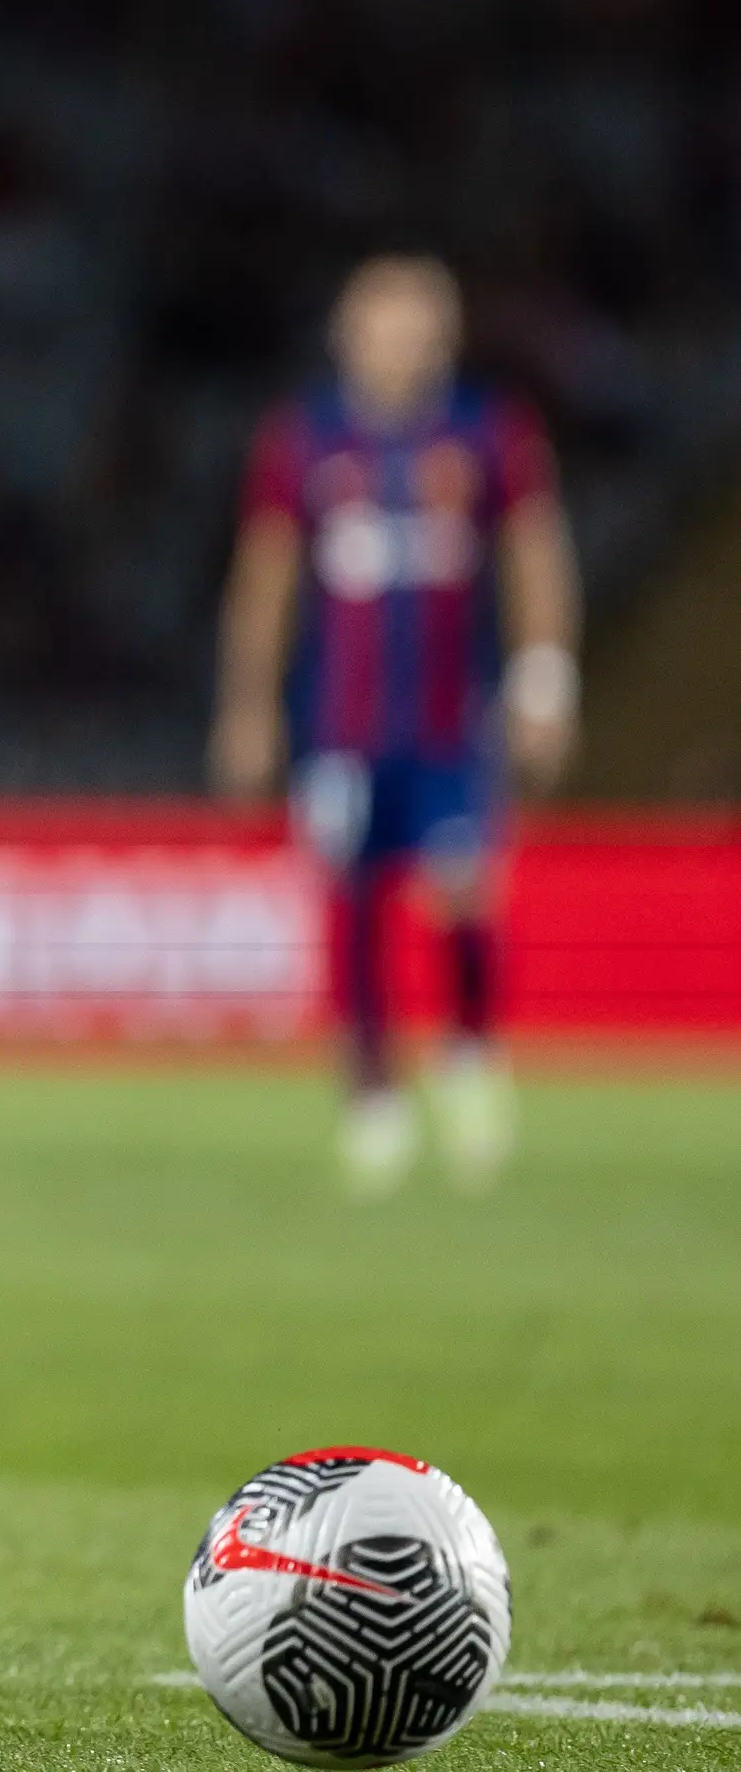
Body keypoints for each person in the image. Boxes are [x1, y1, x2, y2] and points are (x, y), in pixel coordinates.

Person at [213, 255, 576, 1197]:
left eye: (420, 326)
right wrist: (247, 708)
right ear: (348, 334)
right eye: (383, 324)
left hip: (452, 719)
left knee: (463, 887)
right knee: (354, 897)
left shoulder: (487, 433)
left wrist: (544, 680)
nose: (401, 344)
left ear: (445, 339)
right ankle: (371, 1090)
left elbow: (534, 555)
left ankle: (468, 1055)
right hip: (340, 721)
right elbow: (266, 580)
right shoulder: (306, 441)